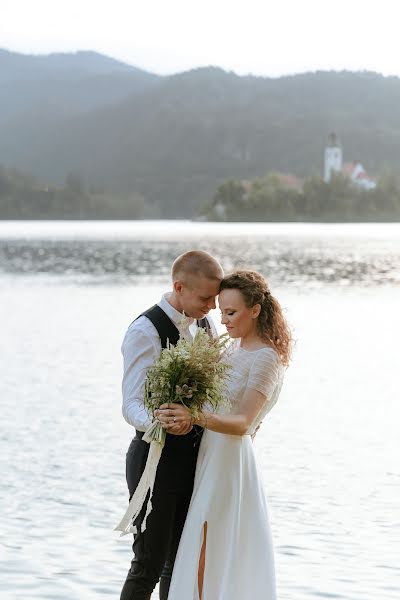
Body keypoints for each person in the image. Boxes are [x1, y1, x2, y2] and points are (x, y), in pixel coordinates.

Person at [155, 270, 292, 600]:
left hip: (230, 460)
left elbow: (244, 422)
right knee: (201, 540)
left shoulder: (265, 358)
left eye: (231, 313)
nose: (224, 321)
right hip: (210, 454)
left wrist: (194, 416)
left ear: (255, 310)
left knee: (211, 540)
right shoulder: (231, 350)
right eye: (221, 313)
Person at [119, 250, 223, 600]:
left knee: (180, 565)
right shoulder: (145, 329)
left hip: (196, 461)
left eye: (215, 297)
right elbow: (130, 403)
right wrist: (163, 423)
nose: (212, 305)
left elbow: (212, 393)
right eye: (205, 297)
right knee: (148, 563)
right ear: (179, 287)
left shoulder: (206, 326)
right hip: (154, 459)